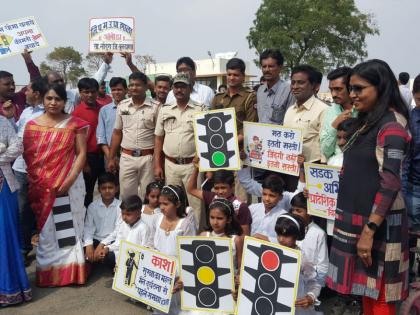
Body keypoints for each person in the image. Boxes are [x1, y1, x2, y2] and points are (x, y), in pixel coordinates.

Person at [326, 59, 411, 315]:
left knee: (381, 295)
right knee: (366, 293)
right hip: (356, 220)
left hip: (379, 225)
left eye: (359, 89)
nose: (352, 95)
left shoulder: (392, 125)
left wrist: (369, 230)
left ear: (381, 87)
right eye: (351, 88)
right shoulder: (367, 120)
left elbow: (390, 181)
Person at [23, 84, 89, 287]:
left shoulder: (74, 124)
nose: (53, 103)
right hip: (43, 187)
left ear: (64, 102)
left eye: (57, 99)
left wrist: (68, 180)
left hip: (69, 183)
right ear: (43, 100)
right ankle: (49, 273)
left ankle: (72, 271)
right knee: (48, 229)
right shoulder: (32, 125)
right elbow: (30, 158)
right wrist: (45, 182)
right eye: (49, 98)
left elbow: (82, 154)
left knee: (69, 226)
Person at [154, 72, 205, 229]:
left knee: (196, 205)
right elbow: (158, 138)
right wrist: (157, 165)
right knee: (173, 202)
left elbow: (205, 138)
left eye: (183, 86)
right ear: (172, 89)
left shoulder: (200, 109)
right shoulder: (165, 110)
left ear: (190, 88)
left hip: (193, 165)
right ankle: (176, 233)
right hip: (170, 165)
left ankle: (198, 237)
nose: (179, 90)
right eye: (176, 87)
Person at [108, 72, 160, 200]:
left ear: (146, 87)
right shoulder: (122, 106)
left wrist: (158, 162)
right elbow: (117, 133)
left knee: (147, 196)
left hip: (148, 158)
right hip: (127, 158)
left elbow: (159, 137)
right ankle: (127, 220)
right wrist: (111, 157)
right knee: (126, 196)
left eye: (138, 85)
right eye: (131, 85)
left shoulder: (156, 107)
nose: (133, 88)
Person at [12, 77, 47, 260]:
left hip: (41, 170)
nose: (24, 93)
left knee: (43, 210)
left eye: (27, 90)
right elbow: (15, 135)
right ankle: (23, 249)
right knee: (22, 210)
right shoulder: (25, 112)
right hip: (20, 169)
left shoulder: (48, 113)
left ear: (36, 93)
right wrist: (10, 118)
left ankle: (46, 250)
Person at [0, 115, 32, 306]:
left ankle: (10, 288)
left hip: (4, 186)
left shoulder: (3, 122)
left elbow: (17, 147)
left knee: (6, 234)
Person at [152, 185, 196, 315]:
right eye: (160, 203)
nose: (161, 207)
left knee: (180, 309)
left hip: (178, 272)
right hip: (158, 268)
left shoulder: (185, 224)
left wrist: (182, 278)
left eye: (166, 204)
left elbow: (190, 255)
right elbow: (150, 243)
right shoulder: (157, 218)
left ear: (177, 204)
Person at [273, 214, 321, 314]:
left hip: (295, 306)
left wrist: (310, 297)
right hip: (272, 302)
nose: (281, 239)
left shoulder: (302, 258)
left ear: (295, 236)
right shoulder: (271, 252)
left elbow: (314, 282)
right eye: (279, 234)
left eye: (286, 236)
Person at [187, 165, 252, 235]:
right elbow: (191, 189)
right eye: (216, 188)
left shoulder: (241, 206)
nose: (220, 191)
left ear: (233, 186)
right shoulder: (212, 197)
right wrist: (197, 168)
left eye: (223, 188)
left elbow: (245, 235)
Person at [284, 65, 328, 164]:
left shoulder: (323, 110)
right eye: (293, 82)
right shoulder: (290, 110)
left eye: (301, 83)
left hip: (312, 167)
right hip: (289, 166)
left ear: (313, 86)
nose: (295, 87)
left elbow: (325, 146)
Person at [72, 77, 105, 207]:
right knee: (88, 192)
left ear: (97, 92)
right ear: (80, 93)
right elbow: (75, 142)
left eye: (93, 91)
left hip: (104, 155)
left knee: (107, 188)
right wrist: (84, 163)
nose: (90, 95)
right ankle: (86, 222)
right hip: (88, 157)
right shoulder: (76, 113)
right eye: (86, 92)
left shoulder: (104, 109)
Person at [44, 52, 112, 114]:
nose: (60, 83)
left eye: (61, 80)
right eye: (56, 82)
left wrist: (106, 63)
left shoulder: (73, 94)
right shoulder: (43, 99)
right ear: (47, 84)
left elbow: (95, 81)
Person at [98, 195, 152, 270]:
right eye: (123, 214)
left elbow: (145, 251)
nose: (124, 217)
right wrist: (107, 248)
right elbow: (118, 243)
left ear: (139, 213)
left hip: (135, 264)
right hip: (121, 261)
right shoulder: (123, 224)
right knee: (107, 255)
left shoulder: (143, 228)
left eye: (128, 214)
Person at [290, 192, 329, 288]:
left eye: (299, 211)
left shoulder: (318, 233)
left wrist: (316, 288)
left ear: (310, 212)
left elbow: (323, 264)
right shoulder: (289, 228)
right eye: (293, 210)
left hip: (308, 281)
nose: (294, 213)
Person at [403, 74, 420, 282]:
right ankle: (408, 279)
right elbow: (406, 159)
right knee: (410, 236)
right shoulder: (409, 121)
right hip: (413, 186)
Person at [211, 58, 257, 135]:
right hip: (219, 142)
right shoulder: (218, 98)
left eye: (236, 75)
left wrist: (230, 142)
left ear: (243, 76)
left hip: (241, 144)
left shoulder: (250, 97)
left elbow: (251, 126)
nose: (231, 78)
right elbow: (211, 123)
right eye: (229, 74)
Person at [320, 66, 358, 161]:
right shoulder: (331, 111)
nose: (333, 94)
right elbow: (326, 150)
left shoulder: (363, 110)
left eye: (338, 89)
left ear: (350, 87)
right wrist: (335, 125)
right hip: (335, 168)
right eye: (331, 89)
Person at [83, 172, 120, 263]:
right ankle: (94, 259)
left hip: (111, 242)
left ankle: (100, 259)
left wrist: (102, 244)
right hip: (95, 240)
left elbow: (118, 230)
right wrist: (89, 245)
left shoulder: (121, 206)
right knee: (82, 254)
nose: (107, 191)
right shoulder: (93, 206)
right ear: (99, 189)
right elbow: (88, 227)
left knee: (113, 256)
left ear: (116, 189)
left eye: (110, 188)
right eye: (103, 188)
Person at [201, 198, 244, 270]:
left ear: (229, 219)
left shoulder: (236, 240)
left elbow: (241, 266)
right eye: (212, 217)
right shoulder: (203, 236)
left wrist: (239, 276)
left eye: (220, 218)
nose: (215, 222)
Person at [256, 49, 295, 125]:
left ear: (280, 67)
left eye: (271, 66)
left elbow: (290, 121)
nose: (267, 70)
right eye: (264, 66)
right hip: (260, 136)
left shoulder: (289, 90)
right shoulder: (260, 90)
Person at [0, 50, 41, 121]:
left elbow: (36, 81)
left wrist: (28, 61)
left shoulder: (20, 97)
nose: (12, 87)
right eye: (7, 84)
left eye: (13, 83)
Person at [96, 76, 128, 166]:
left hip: (129, 154)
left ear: (126, 90)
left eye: (119, 89)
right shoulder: (104, 110)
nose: (116, 92)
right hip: (110, 153)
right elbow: (101, 137)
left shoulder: (132, 108)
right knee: (112, 179)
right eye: (113, 90)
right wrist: (111, 157)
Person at [249, 174, 288, 239]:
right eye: (264, 194)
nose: (267, 199)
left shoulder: (283, 216)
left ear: (280, 197)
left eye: (272, 196)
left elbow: (285, 240)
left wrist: (267, 239)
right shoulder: (252, 208)